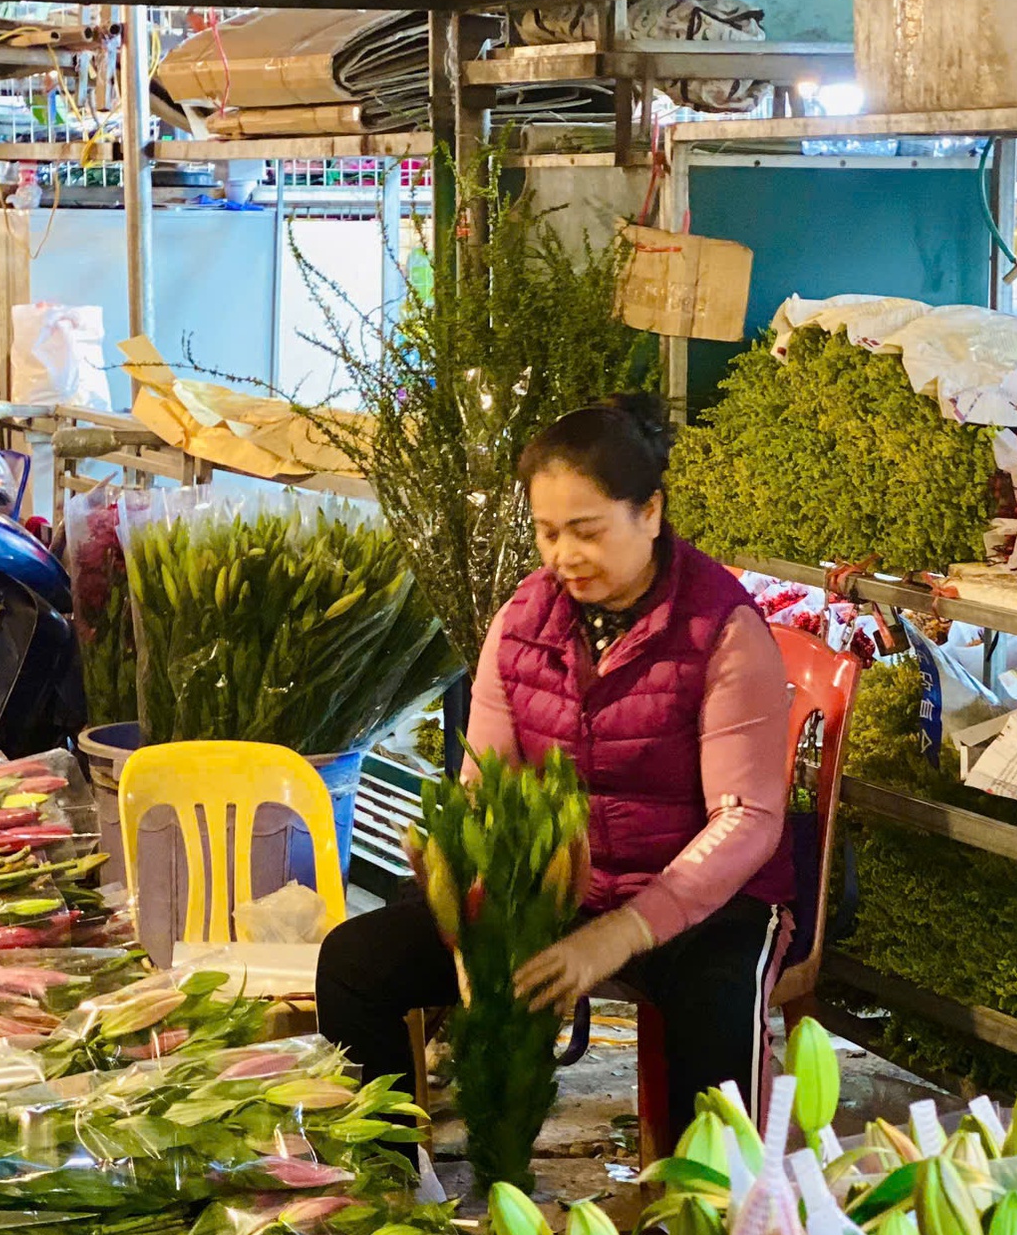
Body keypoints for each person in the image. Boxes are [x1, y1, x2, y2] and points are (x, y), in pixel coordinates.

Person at [316, 396, 793, 1140]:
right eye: (547, 533)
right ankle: (393, 1180)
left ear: (651, 511)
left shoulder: (722, 630)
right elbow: (483, 795)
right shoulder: (522, 623)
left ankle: (713, 1230)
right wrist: (466, 920)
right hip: (558, 888)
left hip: (700, 899)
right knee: (356, 962)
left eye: (588, 531)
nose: (563, 555)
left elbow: (749, 819)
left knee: (718, 1004)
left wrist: (624, 931)